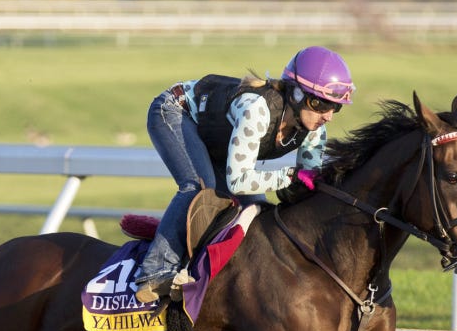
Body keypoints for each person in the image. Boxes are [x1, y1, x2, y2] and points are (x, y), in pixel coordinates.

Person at [133, 45, 356, 303]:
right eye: (321, 104)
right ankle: (155, 272)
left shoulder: (315, 130)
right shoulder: (257, 111)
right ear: (296, 93)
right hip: (175, 111)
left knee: (257, 209)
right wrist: (289, 176)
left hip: (215, 138)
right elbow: (239, 182)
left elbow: (307, 185)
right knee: (199, 188)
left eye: (335, 107)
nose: (328, 116)